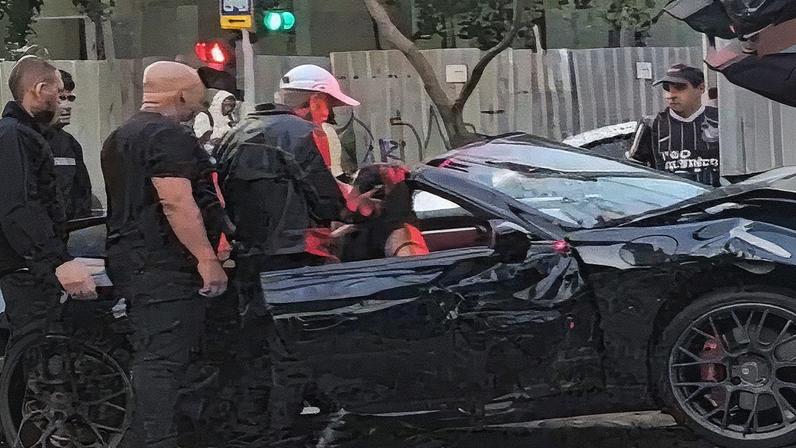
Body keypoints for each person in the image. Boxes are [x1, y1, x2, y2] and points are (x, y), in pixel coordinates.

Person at [101, 61, 228, 448]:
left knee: (160, 355)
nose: (197, 110)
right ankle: (158, 440)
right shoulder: (167, 136)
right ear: (182, 96)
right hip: (162, 263)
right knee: (164, 360)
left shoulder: (119, 136)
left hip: (130, 258)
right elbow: (176, 201)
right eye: (197, 102)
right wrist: (207, 259)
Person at [0, 56, 97, 346]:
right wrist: (58, 261)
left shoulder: (27, 135)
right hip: (24, 268)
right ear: (40, 89)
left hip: (32, 264)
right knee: (33, 348)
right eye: (58, 93)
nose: (63, 102)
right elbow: (19, 207)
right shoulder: (13, 136)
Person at [627, 64, 721, 187]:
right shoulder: (651, 124)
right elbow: (634, 169)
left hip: (717, 201)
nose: (671, 95)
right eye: (667, 88)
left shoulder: (720, 120)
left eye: (680, 87)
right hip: (672, 201)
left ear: (701, 88)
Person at [42, 69, 93, 220]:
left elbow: (82, 194)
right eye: (62, 98)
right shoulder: (22, 138)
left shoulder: (70, 144)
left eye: (70, 99)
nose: (67, 106)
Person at [193, 89, 238, 154]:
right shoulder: (204, 116)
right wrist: (228, 127)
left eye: (232, 105)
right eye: (227, 105)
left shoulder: (231, 117)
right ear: (219, 103)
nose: (229, 108)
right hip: (208, 153)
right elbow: (204, 138)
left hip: (226, 152)